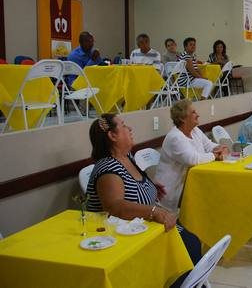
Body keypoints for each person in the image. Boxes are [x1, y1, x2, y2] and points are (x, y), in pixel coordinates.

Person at [85, 114, 201, 264]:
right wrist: (154, 211)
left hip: (145, 230)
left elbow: (134, 187)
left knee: (192, 244)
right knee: (190, 249)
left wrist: (151, 188)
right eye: (124, 125)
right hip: (124, 241)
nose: (130, 128)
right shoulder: (108, 168)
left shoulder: (127, 158)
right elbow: (115, 206)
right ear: (112, 135)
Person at [155, 99, 228, 212]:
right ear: (182, 118)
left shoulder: (195, 131)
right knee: (214, 195)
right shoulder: (175, 137)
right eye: (193, 112)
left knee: (218, 190)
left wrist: (220, 148)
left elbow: (210, 145)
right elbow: (193, 159)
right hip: (172, 191)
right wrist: (214, 155)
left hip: (191, 183)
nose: (198, 114)